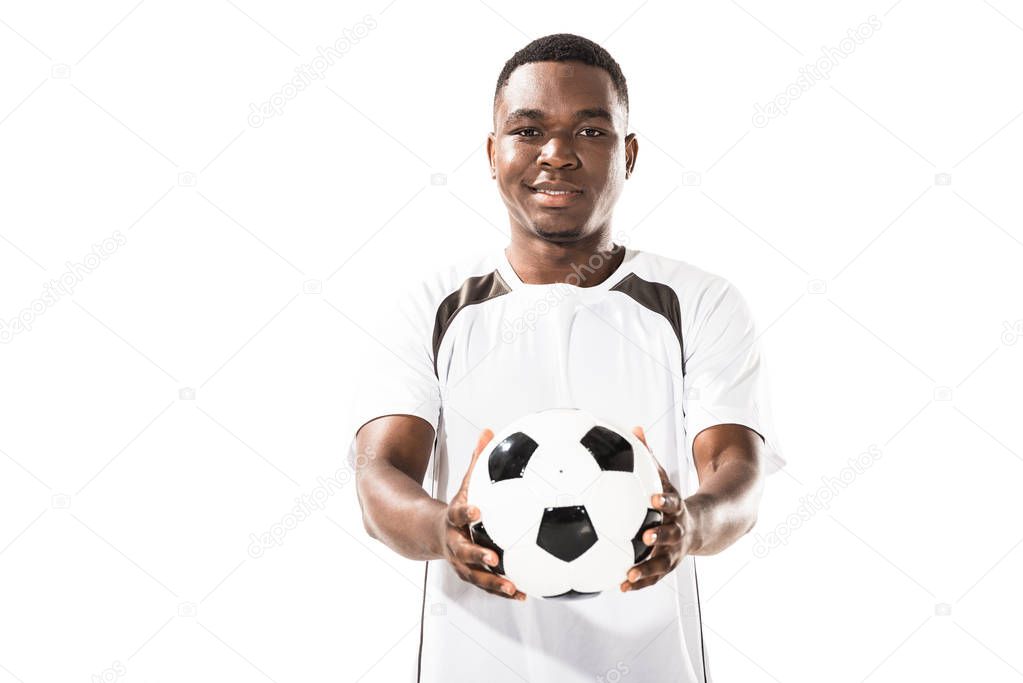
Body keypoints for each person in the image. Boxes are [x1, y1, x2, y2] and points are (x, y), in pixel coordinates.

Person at [350, 32, 783, 683]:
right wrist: (443, 529)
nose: (556, 155)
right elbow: (378, 475)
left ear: (628, 152)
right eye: (527, 130)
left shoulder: (697, 301)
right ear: (492, 152)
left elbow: (737, 477)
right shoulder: (432, 306)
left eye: (589, 131)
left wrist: (687, 524)